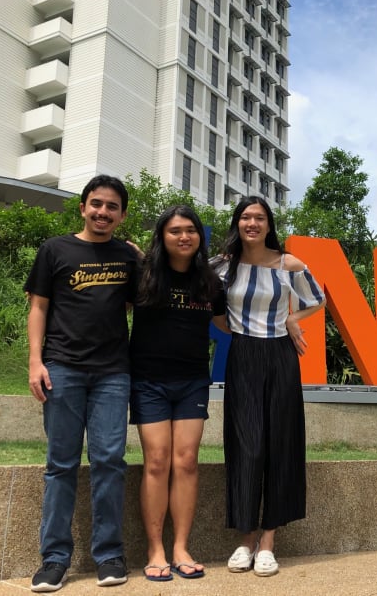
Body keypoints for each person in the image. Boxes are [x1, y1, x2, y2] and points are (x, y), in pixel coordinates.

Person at [25, 175, 138, 592]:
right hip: (63, 368)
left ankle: (109, 555)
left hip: (113, 372)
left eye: (111, 207)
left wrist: (141, 258)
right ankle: (54, 559)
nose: (102, 212)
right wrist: (36, 361)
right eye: (96, 204)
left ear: (122, 215)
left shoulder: (128, 257)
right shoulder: (55, 249)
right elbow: (38, 307)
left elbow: (134, 302)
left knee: (110, 461)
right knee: (61, 465)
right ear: (83, 207)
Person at [213, 196, 326, 577]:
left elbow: (317, 299)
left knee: (279, 444)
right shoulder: (223, 266)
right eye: (245, 216)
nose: (252, 223)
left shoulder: (287, 263)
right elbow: (209, 304)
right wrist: (237, 331)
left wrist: (292, 319)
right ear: (237, 222)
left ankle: (267, 542)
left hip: (280, 356)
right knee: (247, 444)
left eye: (259, 217)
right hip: (243, 356)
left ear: (268, 224)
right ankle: (244, 539)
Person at [128, 205, 227, 582]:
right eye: (174, 231)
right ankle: (155, 550)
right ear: (162, 236)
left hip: (192, 382)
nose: (183, 236)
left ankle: (181, 547)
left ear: (200, 236)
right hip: (148, 380)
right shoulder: (143, 275)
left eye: (190, 230)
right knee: (157, 461)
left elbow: (227, 324)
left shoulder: (210, 283)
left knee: (186, 461)